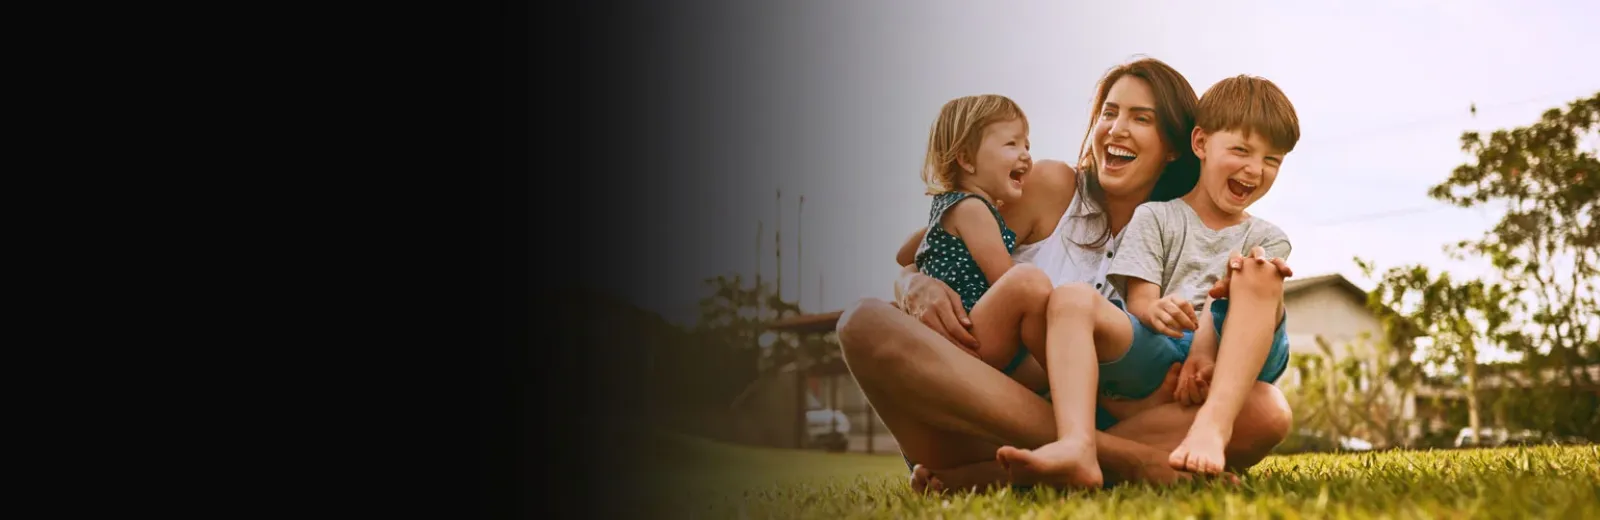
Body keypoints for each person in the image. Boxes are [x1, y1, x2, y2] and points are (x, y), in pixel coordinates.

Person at [842, 56, 1295, 494]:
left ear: (1175, 146)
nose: (1116, 129)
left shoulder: (1188, 234)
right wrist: (913, 284)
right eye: (1109, 113)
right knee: (862, 323)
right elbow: (939, 238)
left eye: (1140, 118)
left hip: (1116, 420)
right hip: (976, 415)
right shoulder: (1053, 186)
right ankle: (1124, 460)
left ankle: (1015, 469)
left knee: (1266, 410)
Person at [994, 74, 1301, 486]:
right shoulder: (1156, 216)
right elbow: (1139, 298)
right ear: (1200, 144)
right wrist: (1154, 309)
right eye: (1242, 150)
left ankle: (1212, 426)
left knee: (1256, 273)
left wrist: (1205, 352)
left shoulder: (1267, 237)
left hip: (1237, 354)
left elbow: (1228, 302)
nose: (1254, 169)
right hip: (1163, 347)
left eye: (1271, 160)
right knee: (1070, 298)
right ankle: (1076, 444)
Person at [908, 93, 1052, 394]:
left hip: (961, 338)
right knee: (1031, 287)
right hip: (972, 335)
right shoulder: (974, 209)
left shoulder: (946, 207)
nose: (1026, 154)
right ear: (966, 160)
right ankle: (1063, 372)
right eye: (1011, 144)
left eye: (1027, 144)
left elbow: (904, 255)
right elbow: (1005, 278)